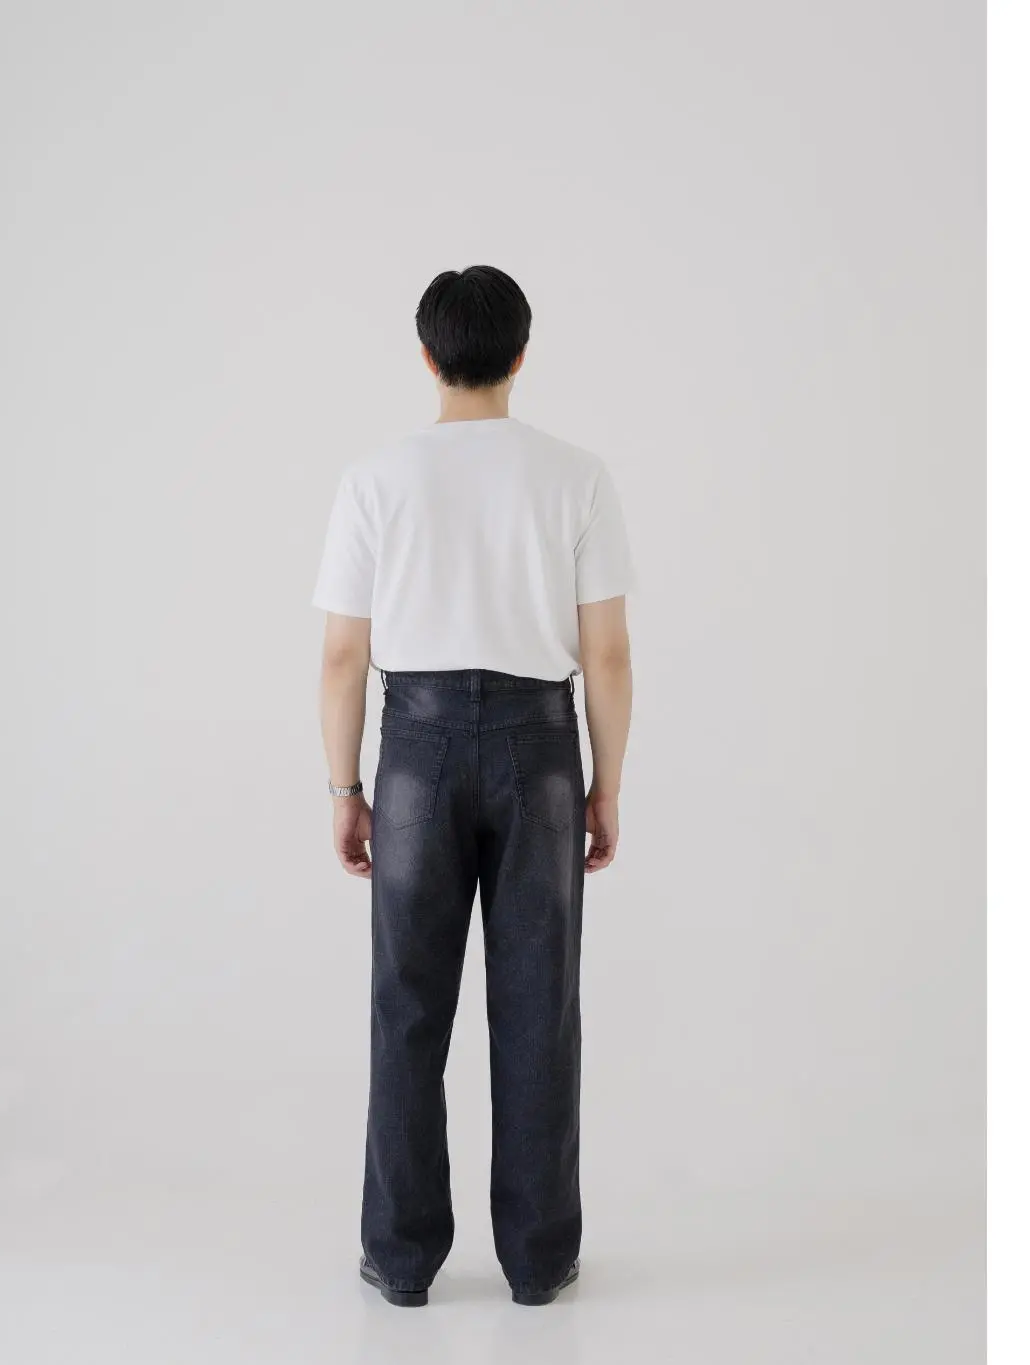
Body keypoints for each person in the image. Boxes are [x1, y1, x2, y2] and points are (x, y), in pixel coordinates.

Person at [312, 265, 634, 1308]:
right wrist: (606, 785)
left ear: (426, 355)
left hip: (416, 748)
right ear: (521, 354)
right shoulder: (576, 476)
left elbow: (342, 657)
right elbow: (607, 652)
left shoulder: (375, 478)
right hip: (540, 748)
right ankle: (538, 1260)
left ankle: (402, 1259)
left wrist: (343, 787)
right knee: (541, 1008)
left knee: (407, 1006)